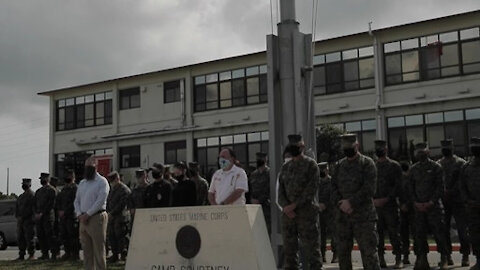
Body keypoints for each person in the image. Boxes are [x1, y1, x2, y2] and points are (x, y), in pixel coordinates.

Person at [331, 133, 380, 270]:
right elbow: (333, 187)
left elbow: (369, 189)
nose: (347, 149)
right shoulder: (339, 165)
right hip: (343, 218)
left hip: (364, 217)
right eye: (344, 147)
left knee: (369, 254)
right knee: (343, 255)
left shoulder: (367, 163)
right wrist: (342, 204)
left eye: (349, 146)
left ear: (357, 146)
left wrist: (350, 203)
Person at [278, 134, 322, 270]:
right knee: (290, 253)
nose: (293, 149)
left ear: (302, 146)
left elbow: (311, 189)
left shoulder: (311, 165)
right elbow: (281, 190)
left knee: (311, 251)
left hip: (306, 214)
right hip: (289, 217)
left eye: (295, 146)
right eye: (291, 146)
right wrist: (286, 207)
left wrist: (294, 205)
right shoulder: (286, 167)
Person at [409, 142, 449, 270]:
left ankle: (444, 258)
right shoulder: (413, 169)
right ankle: (422, 259)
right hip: (418, 208)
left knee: (439, 234)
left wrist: (431, 202)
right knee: (419, 235)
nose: (421, 154)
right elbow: (410, 188)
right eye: (418, 151)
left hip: (434, 207)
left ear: (428, 152)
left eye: (423, 151)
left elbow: (440, 187)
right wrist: (416, 202)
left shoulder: (436, 167)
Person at [438, 139, 470, 266]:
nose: (446, 149)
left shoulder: (461, 163)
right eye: (444, 147)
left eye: (448, 146)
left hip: (458, 201)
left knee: (462, 229)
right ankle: (446, 256)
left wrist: (452, 191)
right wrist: (443, 192)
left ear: (452, 147)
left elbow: (464, 181)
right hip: (444, 201)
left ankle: (465, 255)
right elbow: (436, 182)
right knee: (443, 230)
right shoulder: (438, 164)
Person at [74, 156, 110, 270]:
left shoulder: (102, 182)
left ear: (96, 166)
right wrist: (79, 214)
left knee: (98, 250)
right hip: (83, 219)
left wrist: (88, 214)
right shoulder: (82, 183)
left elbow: (100, 200)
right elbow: (77, 200)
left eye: (90, 165)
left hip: (96, 217)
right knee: (86, 251)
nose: (87, 168)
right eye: (86, 166)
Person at [373, 140, 403, 269]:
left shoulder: (394, 166)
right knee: (377, 234)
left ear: (386, 149)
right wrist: (373, 200)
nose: (380, 150)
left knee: (394, 233)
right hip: (375, 206)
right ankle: (380, 258)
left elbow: (398, 186)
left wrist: (387, 199)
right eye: (377, 148)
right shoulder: (372, 166)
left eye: (382, 147)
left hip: (390, 205)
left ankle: (398, 258)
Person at [460, 137, 480, 270]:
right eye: (473, 146)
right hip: (473, 208)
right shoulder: (466, 167)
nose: (475, 148)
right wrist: (468, 201)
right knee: (475, 236)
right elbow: (462, 187)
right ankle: (479, 260)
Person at [106, 171, 131, 263]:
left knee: (121, 237)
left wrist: (112, 213)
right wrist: (108, 213)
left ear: (117, 179)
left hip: (121, 217)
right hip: (112, 217)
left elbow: (122, 204)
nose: (112, 182)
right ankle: (115, 254)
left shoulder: (124, 190)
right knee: (111, 236)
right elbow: (109, 202)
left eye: (113, 180)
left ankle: (124, 255)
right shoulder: (112, 189)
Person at [317, 162, 337, 264]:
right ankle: (322, 255)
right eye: (321, 169)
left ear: (327, 170)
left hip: (330, 212)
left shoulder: (332, 181)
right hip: (319, 212)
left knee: (334, 233)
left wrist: (325, 205)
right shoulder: (316, 182)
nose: (323, 171)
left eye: (324, 169)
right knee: (321, 234)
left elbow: (334, 195)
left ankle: (335, 255)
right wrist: (318, 205)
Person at [58, 170, 80, 261]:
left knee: (73, 236)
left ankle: (75, 255)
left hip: (72, 216)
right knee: (64, 235)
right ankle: (67, 253)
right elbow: (59, 201)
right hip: (64, 217)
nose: (67, 177)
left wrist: (65, 211)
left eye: (69, 176)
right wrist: (59, 210)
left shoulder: (76, 188)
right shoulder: (63, 189)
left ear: (73, 177)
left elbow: (74, 202)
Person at [34, 172, 57, 260]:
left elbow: (51, 204)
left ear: (47, 179)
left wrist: (42, 213)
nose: (42, 180)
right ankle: (45, 253)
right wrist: (36, 213)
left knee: (50, 235)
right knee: (41, 235)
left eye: (43, 179)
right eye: (41, 179)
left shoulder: (52, 190)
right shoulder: (38, 191)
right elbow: (35, 204)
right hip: (39, 218)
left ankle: (54, 254)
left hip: (48, 216)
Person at [249, 152, 271, 235]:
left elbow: (270, 189)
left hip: (266, 206)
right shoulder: (253, 174)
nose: (259, 160)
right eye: (258, 159)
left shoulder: (270, 173)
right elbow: (250, 188)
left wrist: (260, 200)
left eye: (261, 158)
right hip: (255, 207)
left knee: (267, 230)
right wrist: (252, 199)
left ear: (266, 160)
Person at [398, 160, 415, 265]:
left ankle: (406, 255)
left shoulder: (400, 180)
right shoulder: (410, 178)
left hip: (409, 208)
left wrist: (403, 205)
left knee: (406, 233)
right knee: (410, 233)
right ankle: (407, 255)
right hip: (409, 208)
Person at [15, 178, 36, 261]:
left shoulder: (32, 195)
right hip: (21, 221)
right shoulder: (20, 196)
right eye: (23, 183)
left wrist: (23, 216)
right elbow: (17, 208)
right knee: (20, 238)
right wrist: (18, 217)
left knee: (29, 238)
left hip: (29, 220)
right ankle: (21, 255)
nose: (24, 185)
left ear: (30, 185)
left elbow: (32, 208)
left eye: (26, 183)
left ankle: (31, 255)